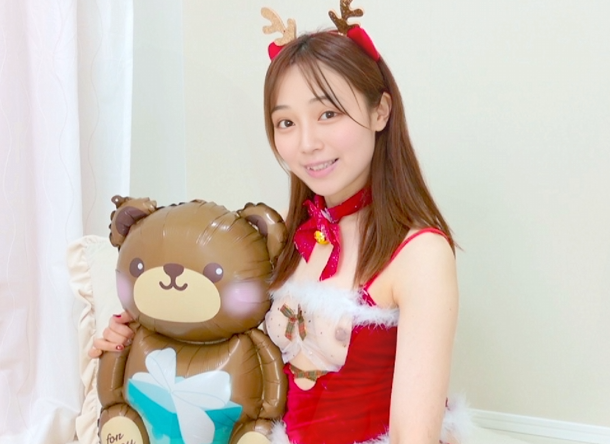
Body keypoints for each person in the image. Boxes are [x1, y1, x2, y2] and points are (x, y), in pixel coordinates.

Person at [90, 3, 470, 444]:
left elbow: (413, 436)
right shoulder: (290, 237)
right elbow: (226, 347)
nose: (307, 143)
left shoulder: (420, 253)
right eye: (286, 122)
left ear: (380, 112)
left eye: (328, 114)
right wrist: (132, 336)